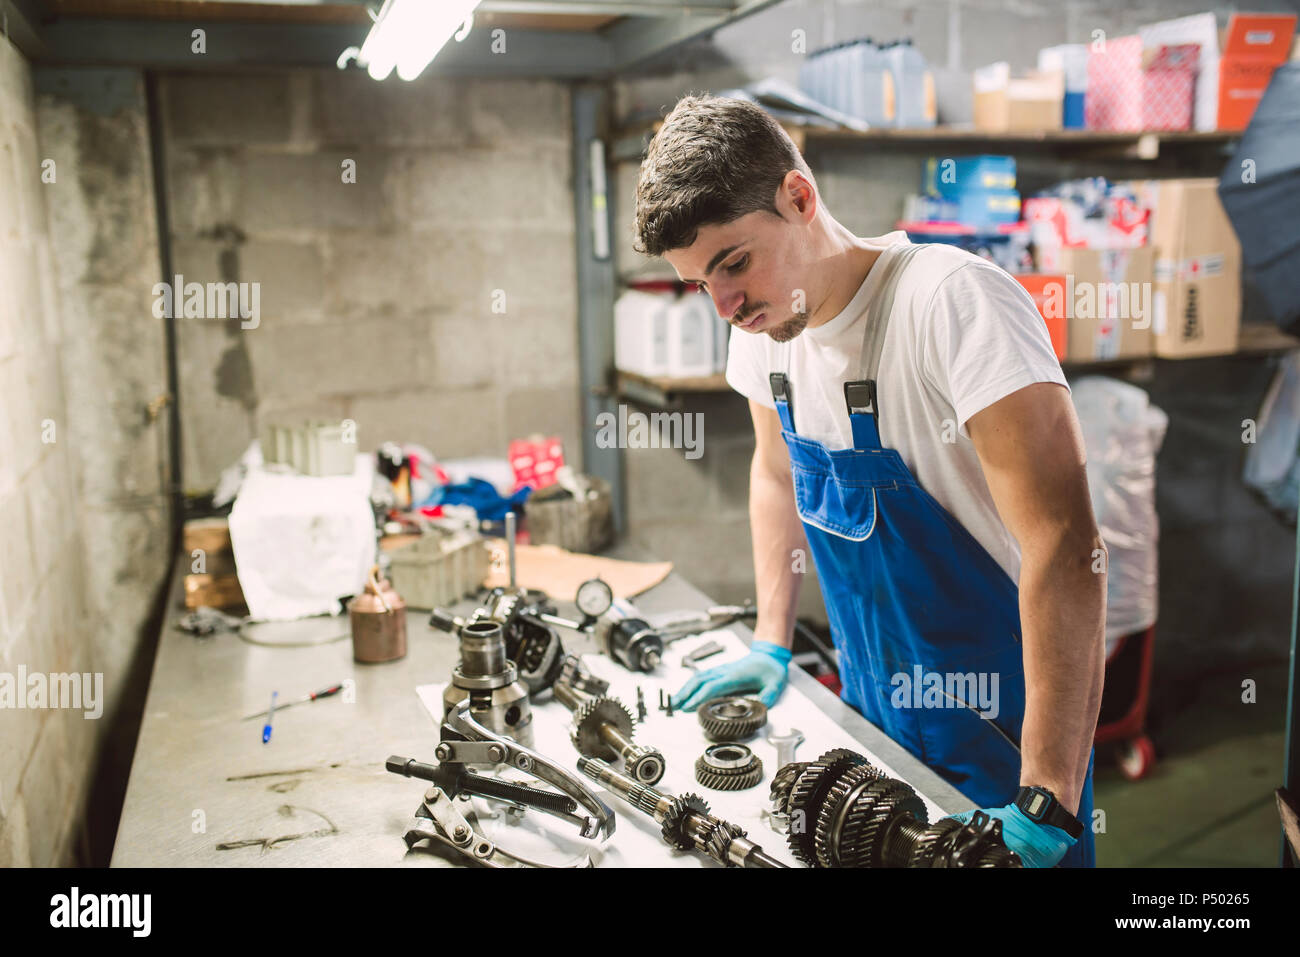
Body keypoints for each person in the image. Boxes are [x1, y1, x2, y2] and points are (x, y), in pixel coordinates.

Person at [636, 95, 1104, 868]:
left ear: (799, 196)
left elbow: (1068, 544)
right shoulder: (767, 339)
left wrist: (1046, 796)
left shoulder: (952, 304)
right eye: (699, 285)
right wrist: (771, 640)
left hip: (1006, 742)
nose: (726, 308)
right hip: (874, 724)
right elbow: (775, 474)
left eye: (734, 263)